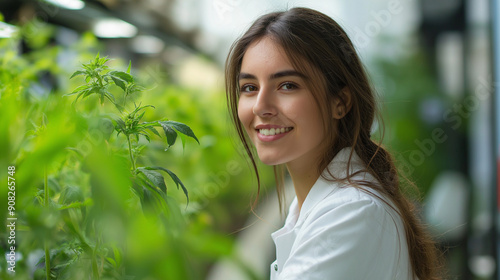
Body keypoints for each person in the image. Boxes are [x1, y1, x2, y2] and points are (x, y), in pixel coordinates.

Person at [225, 7, 442, 280]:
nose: (260, 106)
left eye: (287, 85)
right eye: (249, 87)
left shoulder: (352, 213)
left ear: (340, 102)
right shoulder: (317, 204)